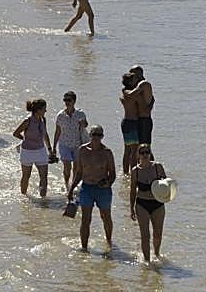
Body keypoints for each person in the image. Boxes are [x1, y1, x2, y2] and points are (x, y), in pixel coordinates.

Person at [68, 125, 117, 254]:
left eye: (99, 135)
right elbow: (79, 172)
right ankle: (84, 248)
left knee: (105, 216)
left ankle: (109, 242)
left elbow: (112, 173)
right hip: (86, 188)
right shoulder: (82, 150)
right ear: (90, 135)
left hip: (102, 190)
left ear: (102, 137)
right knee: (85, 219)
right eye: (94, 134)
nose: (96, 137)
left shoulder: (107, 152)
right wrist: (71, 188)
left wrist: (108, 183)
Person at [129, 144, 168, 264]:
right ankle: (147, 261)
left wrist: (167, 194)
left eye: (147, 152)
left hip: (158, 204)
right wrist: (131, 209)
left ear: (150, 153)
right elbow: (132, 190)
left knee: (158, 233)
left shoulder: (157, 167)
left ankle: (156, 254)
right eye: (142, 153)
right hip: (142, 204)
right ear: (138, 155)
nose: (145, 155)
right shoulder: (135, 171)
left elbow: (167, 185)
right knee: (145, 235)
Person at [13, 98, 54, 197]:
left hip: (40, 151)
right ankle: (23, 197)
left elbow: (45, 134)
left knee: (44, 177)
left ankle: (43, 199)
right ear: (38, 110)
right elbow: (15, 133)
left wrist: (50, 149)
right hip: (27, 152)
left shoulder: (43, 119)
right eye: (44, 109)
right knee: (26, 176)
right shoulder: (27, 121)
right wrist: (25, 139)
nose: (45, 111)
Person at [53, 91, 88, 188]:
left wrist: (83, 123)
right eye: (65, 100)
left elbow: (86, 125)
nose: (66, 102)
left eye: (69, 100)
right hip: (64, 144)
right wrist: (54, 147)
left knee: (76, 168)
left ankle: (73, 185)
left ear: (74, 101)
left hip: (77, 144)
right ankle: (66, 185)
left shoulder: (80, 113)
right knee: (67, 167)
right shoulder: (60, 115)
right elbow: (57, 131)